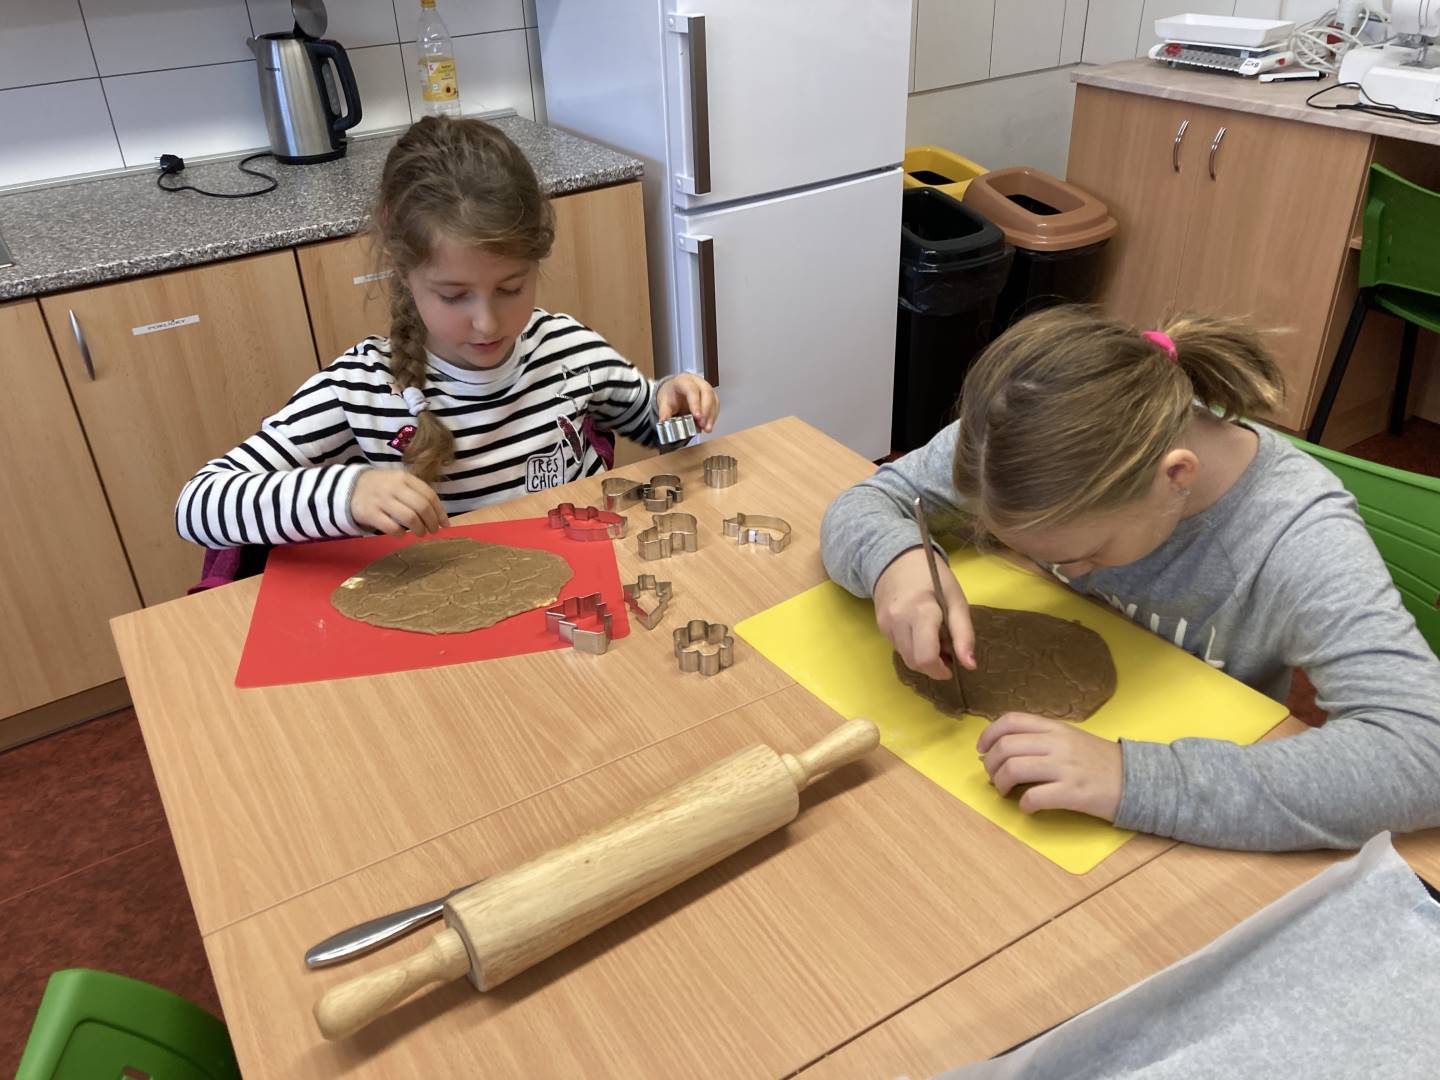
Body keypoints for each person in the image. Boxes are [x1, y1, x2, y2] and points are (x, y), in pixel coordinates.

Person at [821, 306, 1440, 850]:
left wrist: (1133, 780)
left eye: (1088, 552)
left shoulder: (1294, 533)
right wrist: (897, 560)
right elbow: (866, 503)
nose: (1069, 571)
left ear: (1176, 476)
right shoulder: (1025, 437)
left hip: (1186, 827)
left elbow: (1421, 753)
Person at [176, 116, 717, 550]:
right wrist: (348, 492)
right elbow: (198, 504)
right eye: (454, 296)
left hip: (578, 586)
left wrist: (673, 400)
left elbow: (651, 423)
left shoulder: (567, 351)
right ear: (402, 267)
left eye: (511, 288)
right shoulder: (362, 390)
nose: (487, 322)